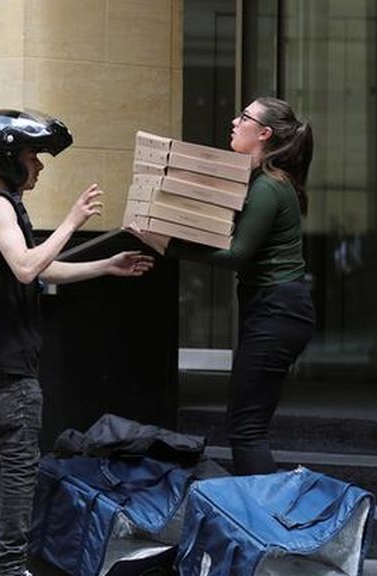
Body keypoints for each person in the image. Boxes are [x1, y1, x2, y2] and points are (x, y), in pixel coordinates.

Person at [0, 109, 154, 576]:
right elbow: (26, 268)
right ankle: (13, 567)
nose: (39, 165)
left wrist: (105, 266)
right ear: (8, 157)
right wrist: (73, 220)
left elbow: (39, 269)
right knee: (19, 473)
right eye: (33, 155)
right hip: (12, 373)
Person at [129, 97, 316, 476]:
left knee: (246, 430)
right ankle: (263, 522)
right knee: (246, 427)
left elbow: (236, 254)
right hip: (273, 309)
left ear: (263, 133)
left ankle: (264, 526)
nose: (234, 121)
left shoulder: (269, 186)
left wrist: (164, 243)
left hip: (278, 310)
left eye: (244, 117)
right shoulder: (260, 181)